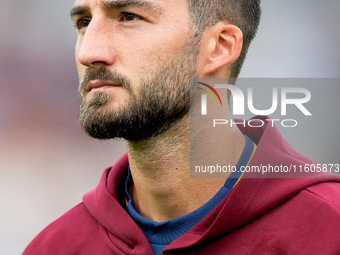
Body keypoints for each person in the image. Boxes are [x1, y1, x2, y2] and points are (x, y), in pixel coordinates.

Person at [24, 0, 340, 254]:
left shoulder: (328, 231)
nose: (88, 52)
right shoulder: (54, 246)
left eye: (129, 17)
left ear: (218, 47)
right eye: (84, 22)